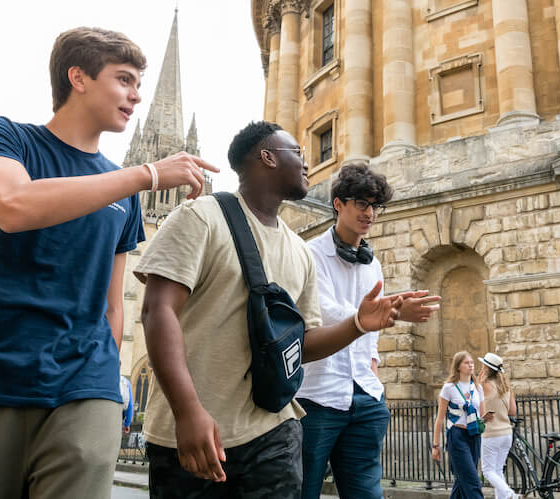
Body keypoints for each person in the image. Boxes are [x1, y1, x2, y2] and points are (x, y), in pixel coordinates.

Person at [0, 27, 218, 499]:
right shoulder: (7, 137)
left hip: (83, 389)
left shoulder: (124, 191)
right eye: (124, 79)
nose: (135, 95)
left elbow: (115, 307)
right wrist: (145, 175)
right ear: (79, 77)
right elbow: (13, 205)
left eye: (139, 85)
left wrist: (108, 386)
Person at [136, 121, 407, 498]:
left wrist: (358, 324)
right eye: (296, 152)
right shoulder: (199, 217)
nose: (307, 163)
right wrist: (187, 411)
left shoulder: (299, 251)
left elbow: (305, 342)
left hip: (274, 434)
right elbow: (157, 311)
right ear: (267, 156)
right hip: (196, 435)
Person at [296, 163, 441, 499]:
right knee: (302, 492)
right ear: (338, 204)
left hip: (366, 400)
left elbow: (371, 333)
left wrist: (373, 371)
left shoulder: (372, 264)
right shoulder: (310, 254)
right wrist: (381, 312)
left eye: (376, 205)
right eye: (361, 203)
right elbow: (323, 313)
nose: (370, 213)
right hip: (316, 399)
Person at [432, 352, 484, 499]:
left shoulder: (477, 388)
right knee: (473, 481)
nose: (471, 365)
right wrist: (436, 446)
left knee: (462, 482)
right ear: (458, 366)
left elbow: (482, 415)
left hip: (474, 435)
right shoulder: (449, 387)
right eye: (467, 363)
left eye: (472, 362)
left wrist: (487, 419)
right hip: (457, 436)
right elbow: (440, 419)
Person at [477, 353, 518, 499]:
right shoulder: (506, 387)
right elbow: (512, 411)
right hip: (507, 433)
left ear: (487, 368)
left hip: (491, 434)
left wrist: (480, 376)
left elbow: (471, 395)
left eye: (483, 366)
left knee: (488, 471)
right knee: (498, 470)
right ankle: (505, 496)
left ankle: (510, 494)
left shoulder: (483, 384)